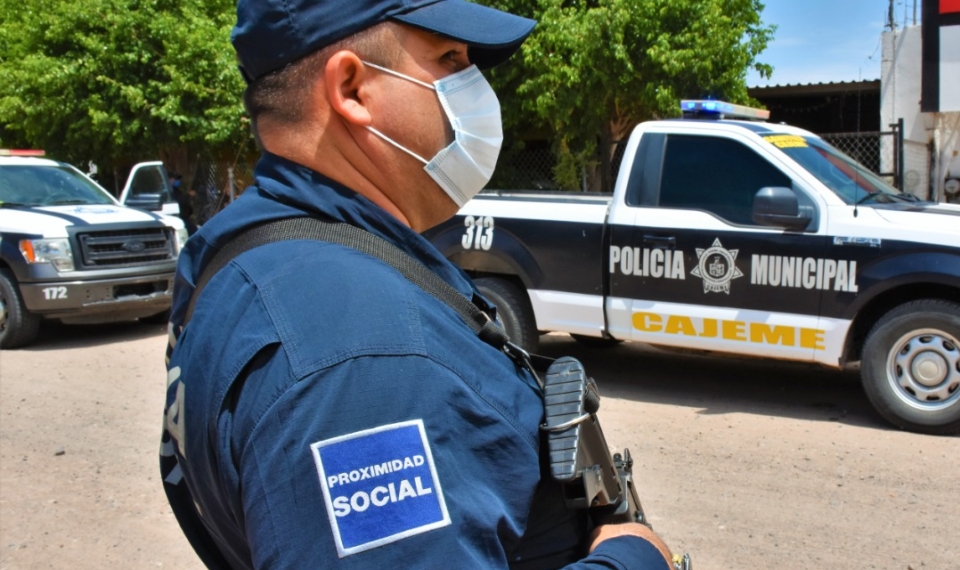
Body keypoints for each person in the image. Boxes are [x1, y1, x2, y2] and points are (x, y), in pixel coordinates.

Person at [159, 1, 674, 568]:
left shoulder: (237, 252)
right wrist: (631, 558)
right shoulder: (364, 355)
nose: (475, 86)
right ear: (352, 88)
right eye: (449, 57)